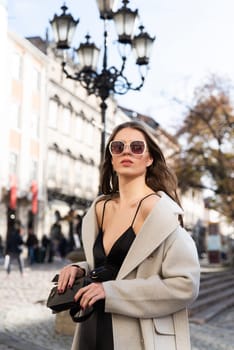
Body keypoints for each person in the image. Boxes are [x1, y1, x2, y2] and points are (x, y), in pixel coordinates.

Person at [57, 121, 200, 350]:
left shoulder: (161, 212)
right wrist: (82, 268)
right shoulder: (99, 209)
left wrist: (111, 291)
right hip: (93, 327)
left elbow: (185, 284)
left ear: (149, 158)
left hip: (139, 335)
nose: (126, 151)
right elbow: (116, 265)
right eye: (118, 147)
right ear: (111, 158)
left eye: (136, 147)